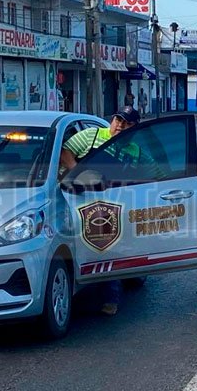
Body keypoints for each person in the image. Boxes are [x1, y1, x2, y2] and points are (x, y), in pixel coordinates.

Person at [60, 105, 143, 316]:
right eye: (118, 120)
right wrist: (78, 172)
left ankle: (110, 298)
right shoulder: (92, 135)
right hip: (74, 197)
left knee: (107, 248)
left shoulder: (134, 150)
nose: (120, 125)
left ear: (134, 128)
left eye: (127, 123)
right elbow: (64, 151)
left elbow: (150, 172)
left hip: (107, 205)